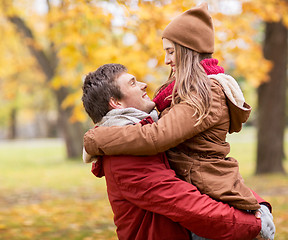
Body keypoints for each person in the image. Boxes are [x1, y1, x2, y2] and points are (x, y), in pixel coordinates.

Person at [84, 3, 275, 240]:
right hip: (207, 205)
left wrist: (95, 138)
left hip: (213, 201)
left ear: (187, 50)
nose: (166, 60)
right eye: (133, 83)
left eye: (171, 51)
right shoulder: (177, 98)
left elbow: (158, 137)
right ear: (116, 102)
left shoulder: (203, 93)